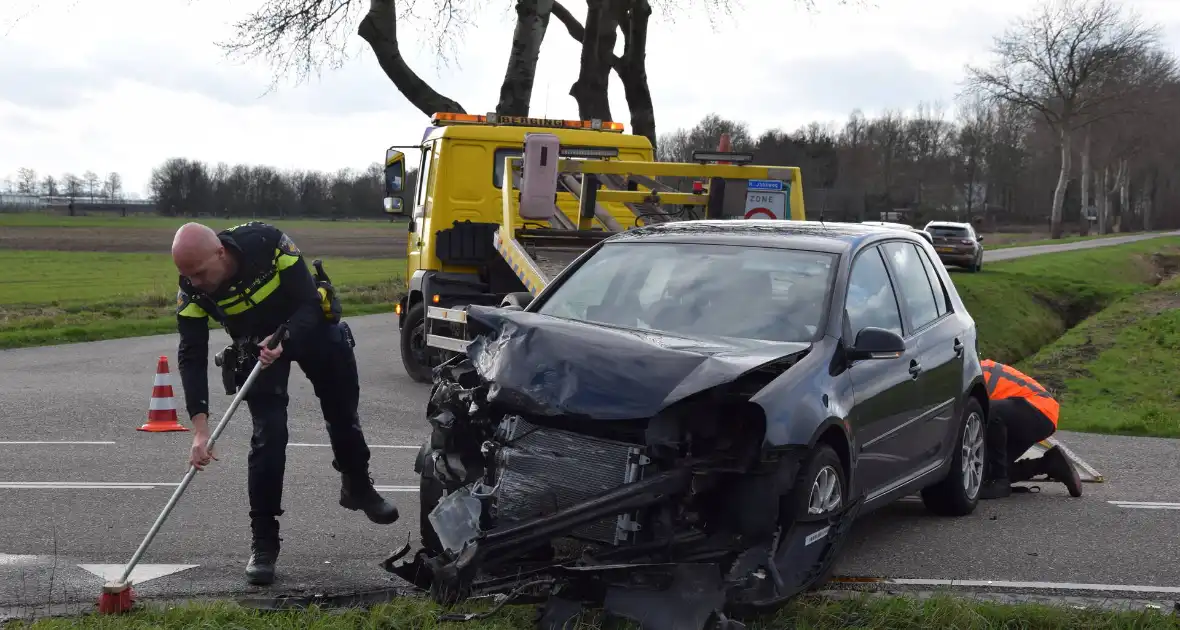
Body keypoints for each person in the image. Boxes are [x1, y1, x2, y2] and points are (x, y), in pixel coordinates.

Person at [171, 221, 399, 586]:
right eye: (187, 276)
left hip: (305, 327)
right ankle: (264, 543)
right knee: (269, 435)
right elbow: (191, 355)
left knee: (342, 412)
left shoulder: (267, 243)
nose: (194, 283)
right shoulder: (191, 290)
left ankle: (356, 484)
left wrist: (285, 338)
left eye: (199, 273)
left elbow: (309, 301)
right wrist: (200, 429)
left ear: (219, 252)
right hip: (255, 348)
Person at [979, 358, 1083, 500]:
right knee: (980, 473)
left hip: (1037, 408)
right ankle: (1048, 464)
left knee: (989, 410)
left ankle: (1000, 481)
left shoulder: (972, 374)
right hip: (1022, 417)